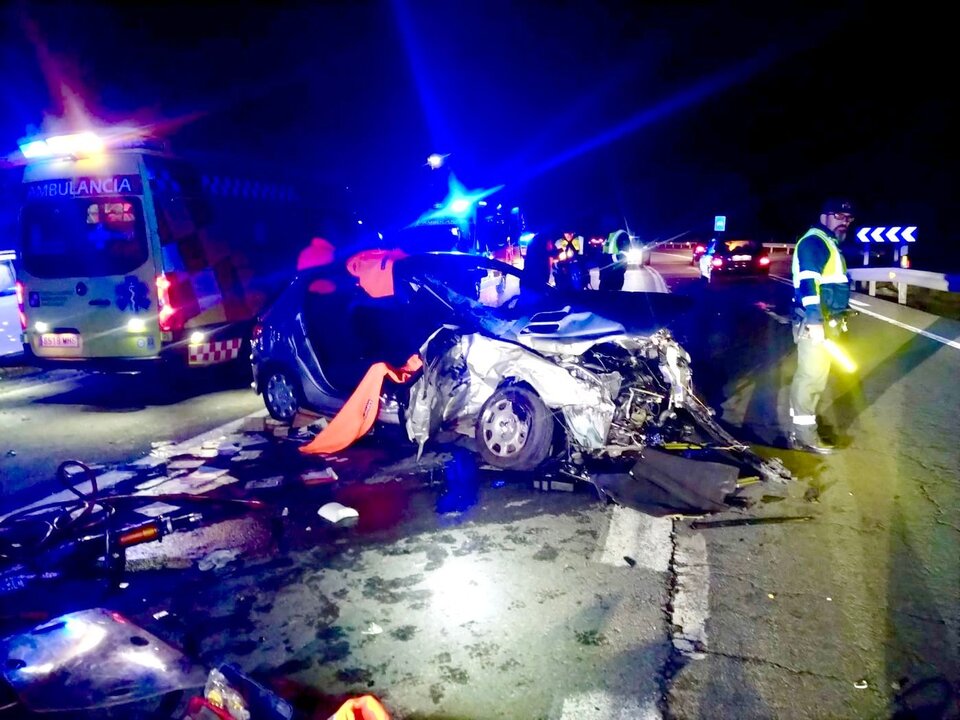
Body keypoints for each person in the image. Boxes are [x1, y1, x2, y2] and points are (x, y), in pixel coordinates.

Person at [788, 199, 855, 454]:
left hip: (826, 322)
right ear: (825, 216)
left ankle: (800, 428)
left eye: (849, 218)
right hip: (814, 322)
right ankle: (804, 436)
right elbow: (808, 282)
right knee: (811, 377)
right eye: (839, 216)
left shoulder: (829, 243)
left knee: (814, 376)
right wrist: (815, 320)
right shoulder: (815, 241)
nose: (844, 222)